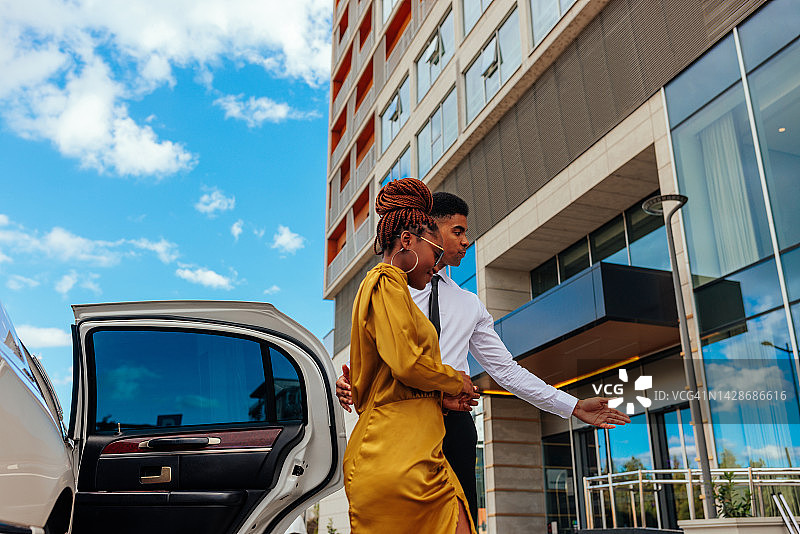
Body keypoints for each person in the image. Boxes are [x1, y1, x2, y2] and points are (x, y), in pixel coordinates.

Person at [338, 192, 631, 527]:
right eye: (458, 232)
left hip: (454, 429)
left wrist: (573, 406)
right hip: (399, 428)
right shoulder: (388, 287)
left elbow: (506, 370)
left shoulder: (469, 303)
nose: (466, 241)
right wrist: (352, 382)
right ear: (428, 229)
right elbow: (386, 360)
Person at [344, 178, 480, 534]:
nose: (435, 265)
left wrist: (441, 397)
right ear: (407, 241)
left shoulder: (389, 290)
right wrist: (454, 380)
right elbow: (407, 364)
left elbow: (382, 381)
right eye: (434, 253)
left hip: (413, 454)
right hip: (398, 458)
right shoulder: (387, 282)